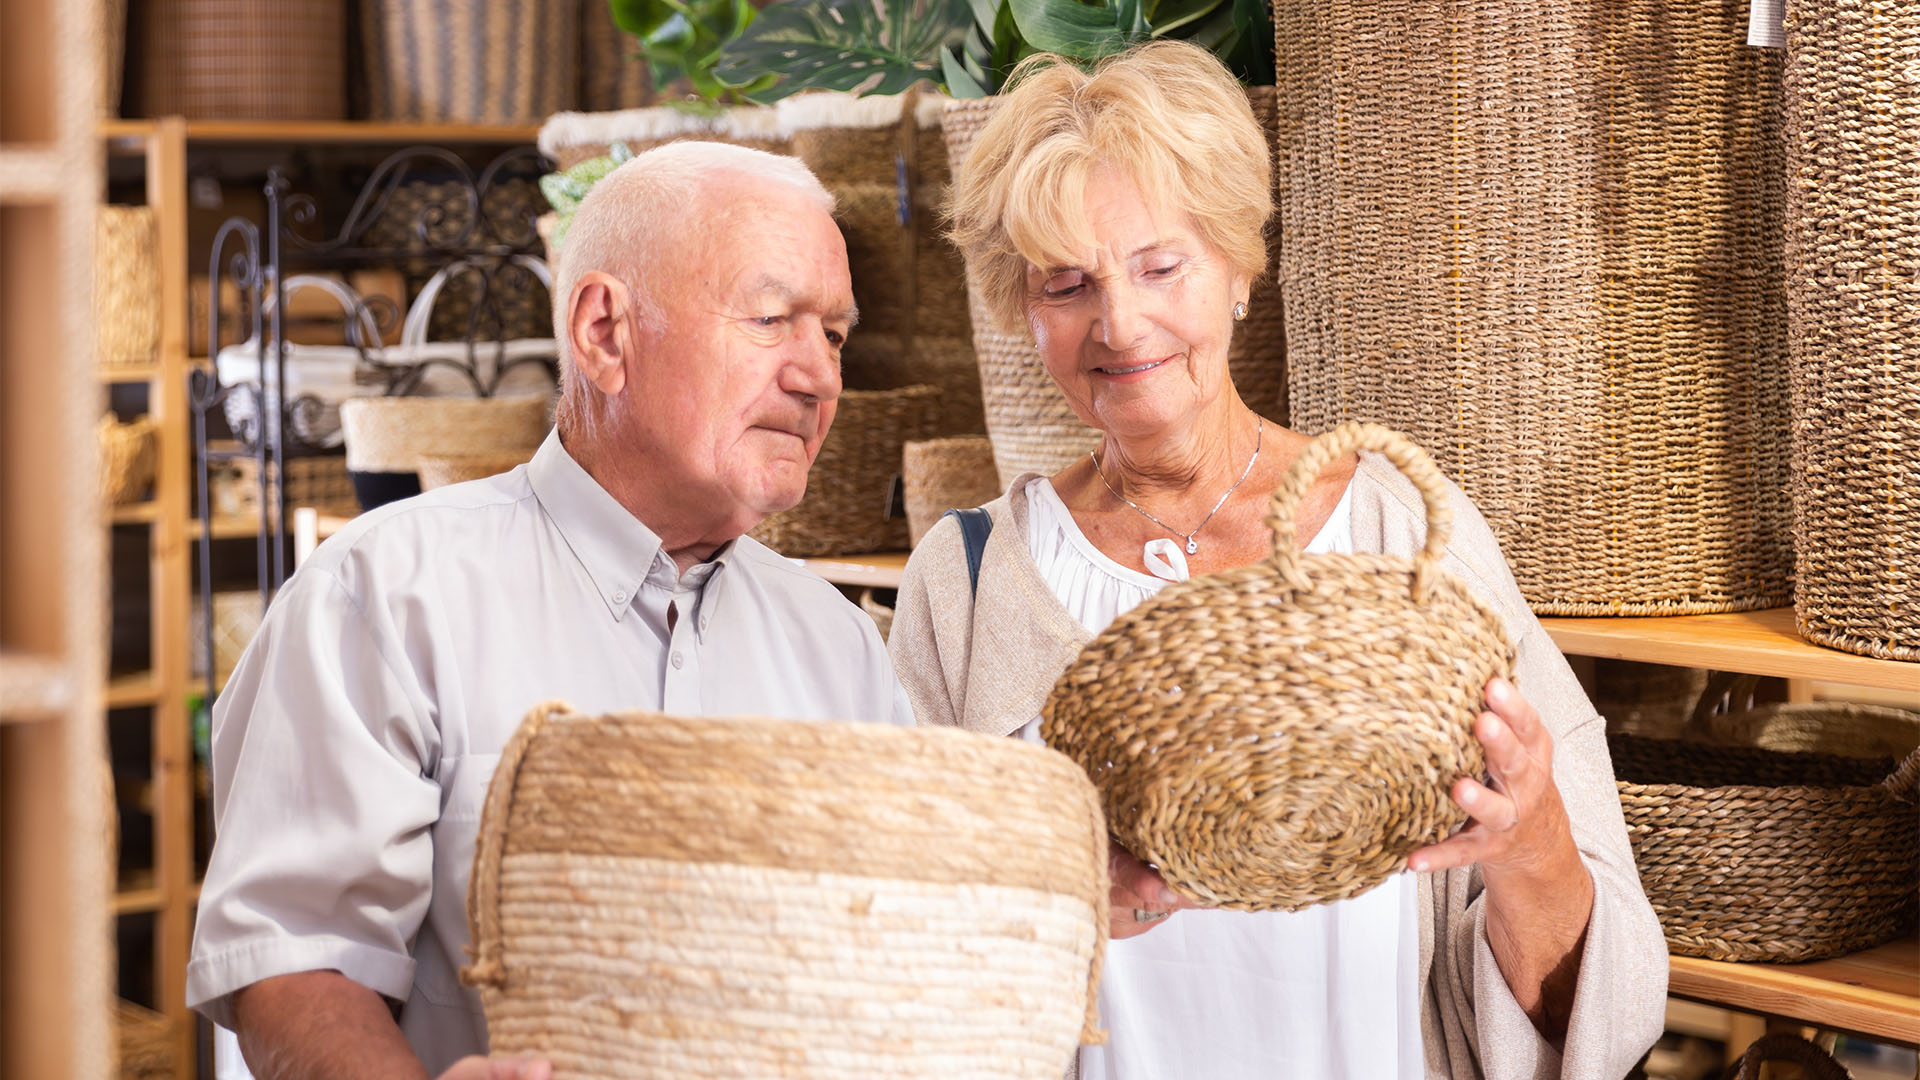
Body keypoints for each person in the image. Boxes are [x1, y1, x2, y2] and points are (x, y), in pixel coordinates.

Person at [888, 41, 1667, 1079]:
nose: (1120, 322)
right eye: (1067, 285)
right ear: (1021, 312)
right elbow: (893, 951)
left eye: (1161, 267)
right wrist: (1046, 894)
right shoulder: (968, 581)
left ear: (1239, 269)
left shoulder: (1402, 535)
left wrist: (1531, 842)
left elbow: (1599, 1013)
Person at [187, 141, 915, 1080]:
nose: (819, 376)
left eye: (835, 336)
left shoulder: (842, 646)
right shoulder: (384, 596)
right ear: (604, 332)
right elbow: (293, 965)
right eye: (771, 319)